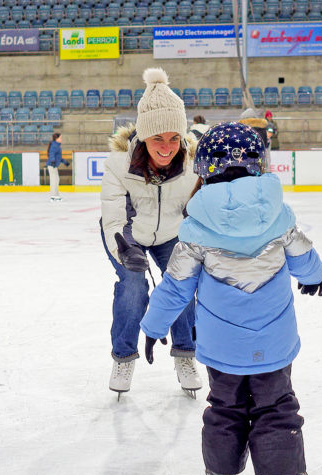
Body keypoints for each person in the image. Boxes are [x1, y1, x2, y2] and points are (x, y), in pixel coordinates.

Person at [139, 121, 322, 475]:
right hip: (273, 342)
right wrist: (314, 276)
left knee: (225, 407)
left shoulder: (195, 225)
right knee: (276, 406)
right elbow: (303, 255)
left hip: (222, 346)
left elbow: (175, 286)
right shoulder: (279, 213)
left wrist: (154, 327)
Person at [99, 67, 200, 399]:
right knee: (132, 286)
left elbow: (200, 207)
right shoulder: (118, 166)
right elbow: (114, 220)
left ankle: (185, 354)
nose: (167, 146)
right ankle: (124, 356)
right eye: (158, 138)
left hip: (170, 234)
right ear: (143, 136)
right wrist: (125, 249)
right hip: (127, 235)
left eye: (174, 138)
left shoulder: (190, 165)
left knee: (181, 281)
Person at [46, 133, 70, 202]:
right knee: (54, 180)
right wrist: (53, 161)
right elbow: (51, 154)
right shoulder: (54, 145)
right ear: (56, 139)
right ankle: (53, 196)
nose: (61, 139)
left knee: (56, 180)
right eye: (60, 138)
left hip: (54, 165)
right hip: (52, 165)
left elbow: (58, 157)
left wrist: (65, 162)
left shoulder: (57, 146)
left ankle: (56, 195)